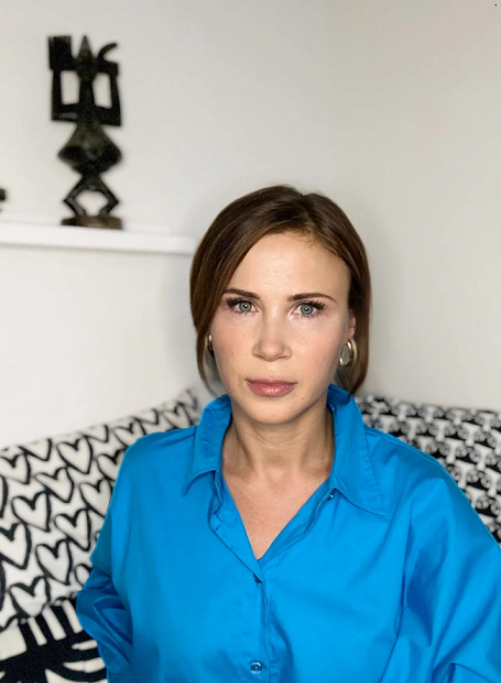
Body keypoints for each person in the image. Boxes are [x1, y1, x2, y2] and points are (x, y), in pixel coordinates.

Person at [75, 185, 501, 682]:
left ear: (349, 328)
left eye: (307, 308)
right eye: (242, 305)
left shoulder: (422, 501)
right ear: (208, 321)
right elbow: (110, 610)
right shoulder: (147, 474)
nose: (271, 345)